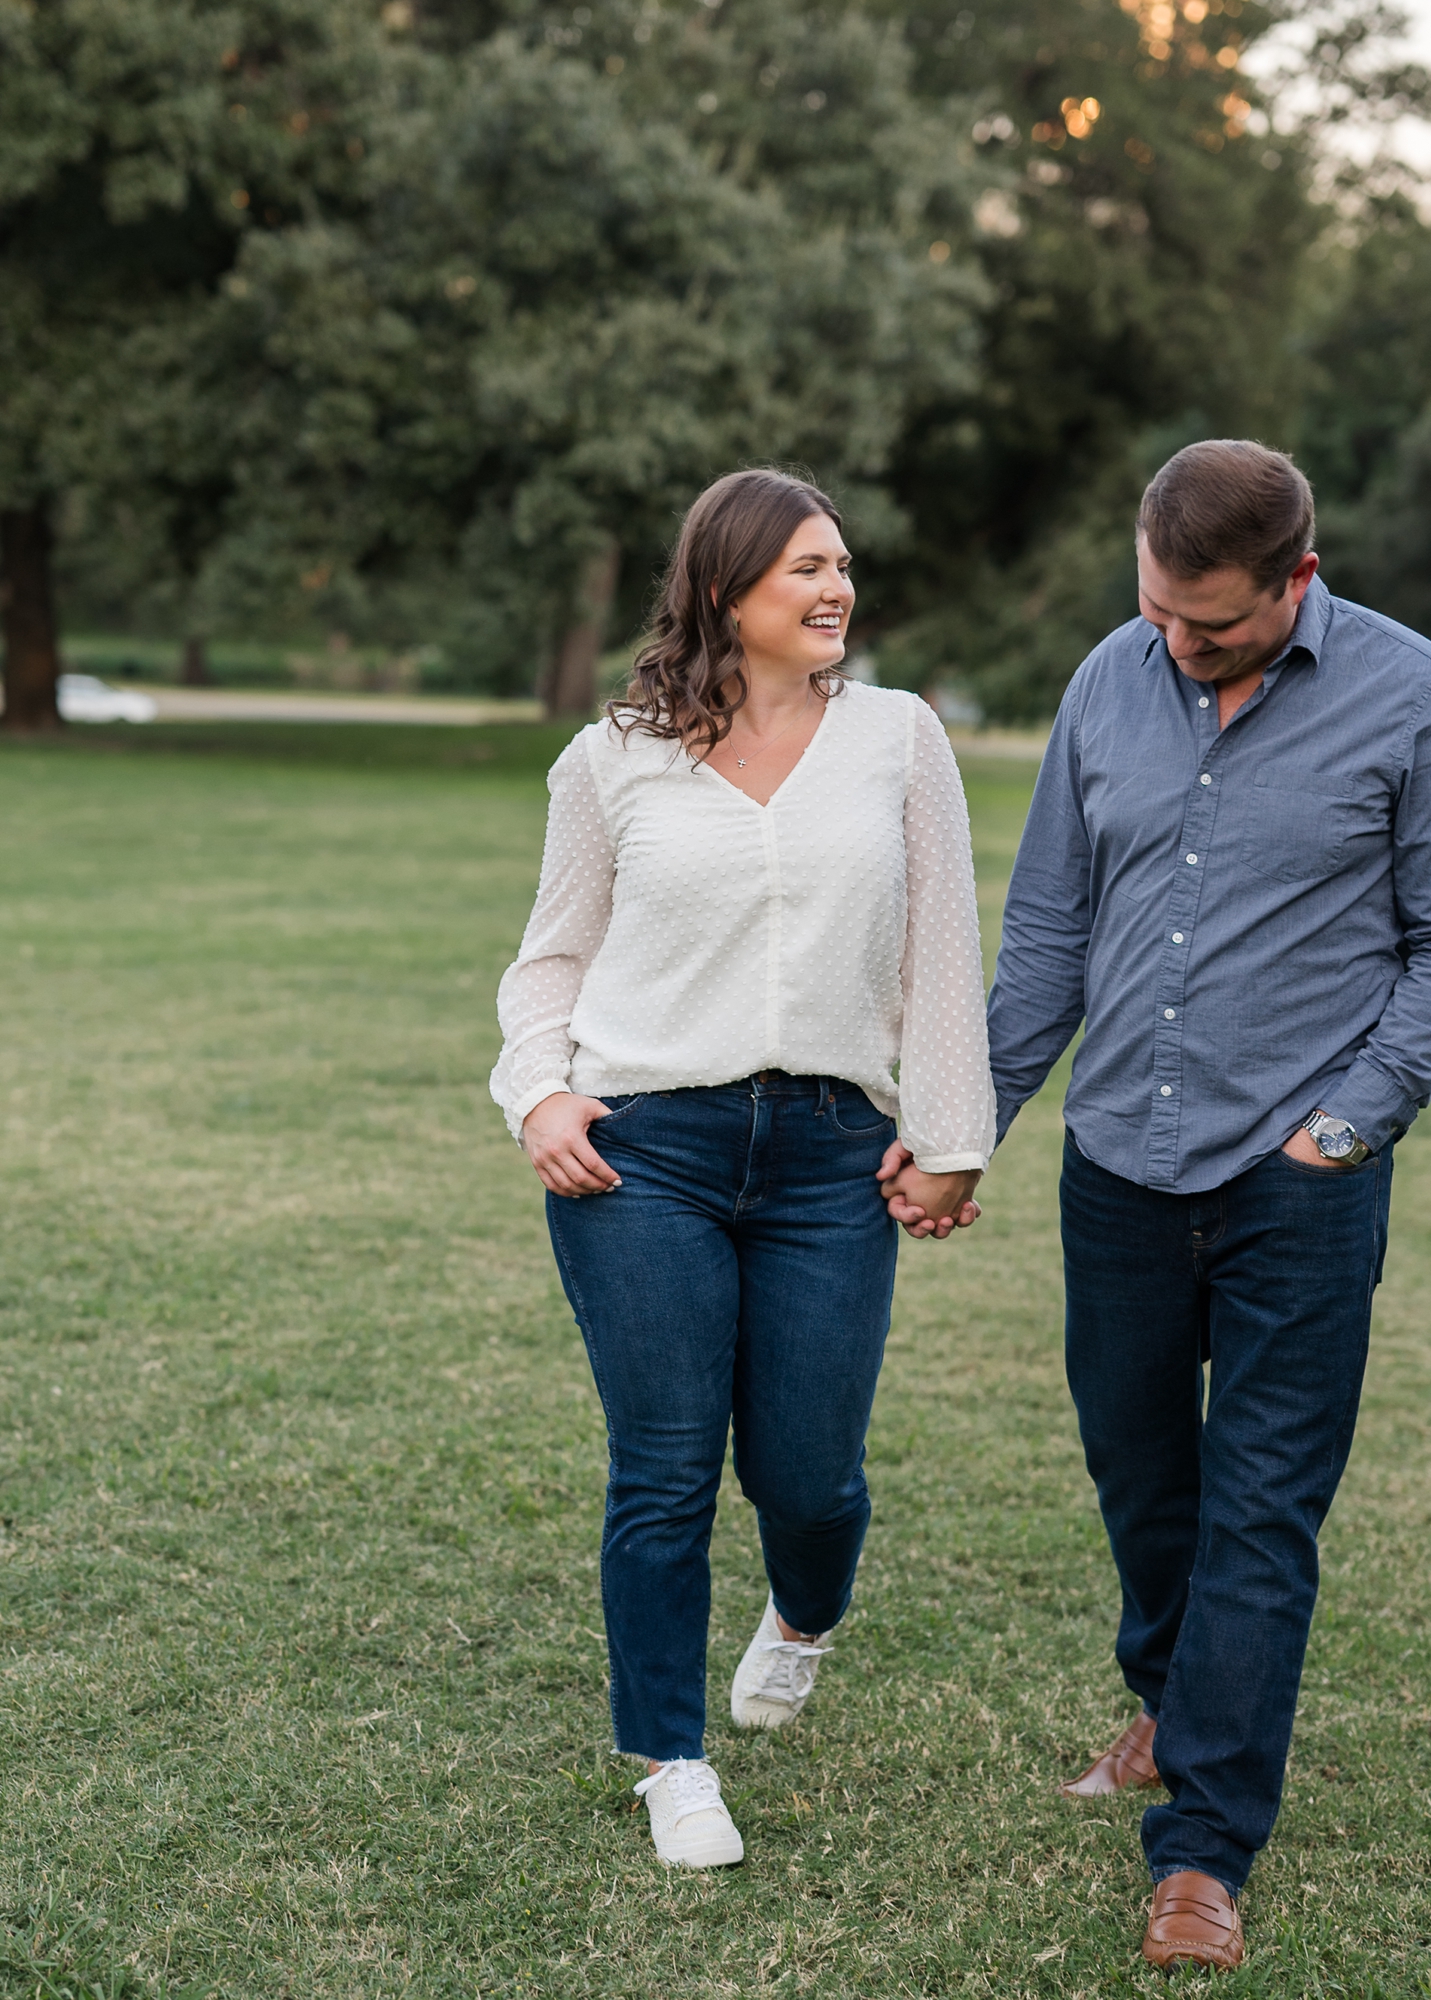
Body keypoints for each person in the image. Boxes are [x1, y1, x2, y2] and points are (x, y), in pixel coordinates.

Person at [984, 440, 1431, 1969]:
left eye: (1212, 624)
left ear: (1300, 580)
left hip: (1301, 1181)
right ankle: (1169, 1698)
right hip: (1118, 1173)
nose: (1178, 644)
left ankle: (1202, 1848)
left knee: (1261, 1506)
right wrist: (969, 1122)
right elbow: (1051, 927)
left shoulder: (1418, 699)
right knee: (1146, 1485)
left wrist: (1342, 1132)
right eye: (1159, 610)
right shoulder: (1110, 677)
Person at [490, 468, 995, 1870]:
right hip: (644, 1148)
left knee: (811, 1476)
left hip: (837, 1156)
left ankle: (802, 1619)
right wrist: (539, 1093)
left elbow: (941, 954)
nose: (836, 589)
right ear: (726, 592)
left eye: (842, 565)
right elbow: (553, 960)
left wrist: (951, 1142)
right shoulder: (612, 759)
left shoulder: (901, 740)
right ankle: (671, 1761)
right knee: (662, 1471)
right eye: (803, 571)